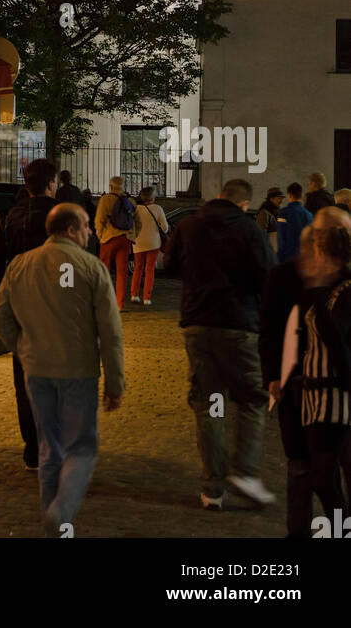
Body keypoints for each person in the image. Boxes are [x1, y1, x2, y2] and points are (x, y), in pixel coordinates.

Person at [0, 203, 124, 536]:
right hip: (78, 371)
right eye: (85, 225)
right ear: (70, 230)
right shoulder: (91, 267)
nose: (91, 231)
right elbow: (110, 331)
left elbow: (1, 315)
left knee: (50, 447)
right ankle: (62, 510)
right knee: (80, 447)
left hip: (36, 370)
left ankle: (53, 516)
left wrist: (22, 347)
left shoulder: (21, 264)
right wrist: (115, 381)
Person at [164, 178, 274, 509]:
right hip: (239, 325)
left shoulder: (188, 226)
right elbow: (268, 276)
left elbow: (170, 265)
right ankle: (245, 472)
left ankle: (212, 488)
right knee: (253, 399)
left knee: (209, 404)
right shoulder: (249, 230)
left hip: (198, 325)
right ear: (243, 204)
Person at [260, 208, 351, 536]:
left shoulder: (343, 283)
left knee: (331, 473)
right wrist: (273, 375)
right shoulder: (283, 276)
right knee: (303, 469)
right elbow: (269, 330)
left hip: (336, 393)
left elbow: (338, 341)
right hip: (300, 387)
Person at [0, 158, 58, 470]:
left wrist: (4, 293)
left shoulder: (11, 217)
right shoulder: (61, 218)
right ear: (52, 183)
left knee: (25, 379)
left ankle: (33, 448)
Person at [93, 177, 134, 311]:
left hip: (109, 238)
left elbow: (100, 219)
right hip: (124, 239)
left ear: (111, 186)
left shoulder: (106, 199)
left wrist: (100, 235)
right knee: (122, 273)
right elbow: (136, 221)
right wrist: (132, 236)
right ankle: (120, 304)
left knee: (104, 271)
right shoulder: (129, 201)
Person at [130, 187, 168, 306]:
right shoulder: (158, 209)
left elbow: (132, 226)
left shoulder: (136, 209)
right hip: (153, 243)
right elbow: (165, 228)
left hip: (138, 242)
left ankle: (134, 295)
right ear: (153, 197)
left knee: (138, 268)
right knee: (150, 269)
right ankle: (147, 297)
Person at [276, 184, 312, 264]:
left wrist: (279, 259)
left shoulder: (284, 213)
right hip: (305, 259)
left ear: (289, 195)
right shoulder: (309, 215)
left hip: (288, 259)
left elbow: (281, 238)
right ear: (301, 195)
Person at [255, 187, 285, 252]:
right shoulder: (264, 213)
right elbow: (261, 234)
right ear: (271, 199)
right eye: (279, 198)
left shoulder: (279, 213)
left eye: (282, 198)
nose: (281, 201)